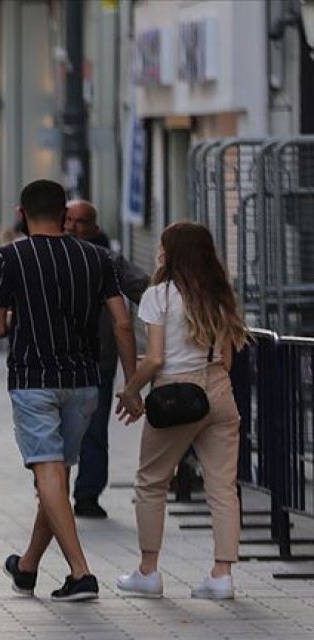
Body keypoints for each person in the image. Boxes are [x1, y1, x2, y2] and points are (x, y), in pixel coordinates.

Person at [0, 180, 137, 602]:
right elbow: (123, 323)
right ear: (63, 214)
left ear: (22, 212)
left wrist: (16, 319)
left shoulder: (8, 257)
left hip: (34, 379)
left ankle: (81, 573)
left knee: (49, 476)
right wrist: (133, 383)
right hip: (85, 380)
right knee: (57, 477)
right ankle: (28, 566)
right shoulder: (97, 257)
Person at [113, 222, 247, 600]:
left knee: (152, 481)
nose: (158, 252)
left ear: (171, 253)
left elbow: (155, 358)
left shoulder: (160, 295)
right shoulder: (220, 294)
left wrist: (130, 390)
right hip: (219, 388)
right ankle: (222, 575)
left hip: (175, 392)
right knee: (222, 485)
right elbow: (225, 357)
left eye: (162, 247)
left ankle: (148, 571)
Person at [63, 200, 149, 519]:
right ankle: (52, 491)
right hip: (55, 359)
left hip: (98, 357)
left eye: (81, 222)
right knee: (56, 429)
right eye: (68, 220)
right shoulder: (46, 256)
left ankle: (87, 494)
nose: (73, 227)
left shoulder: (107, 261)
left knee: (94, 429)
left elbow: (144, 289)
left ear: (94, 228)